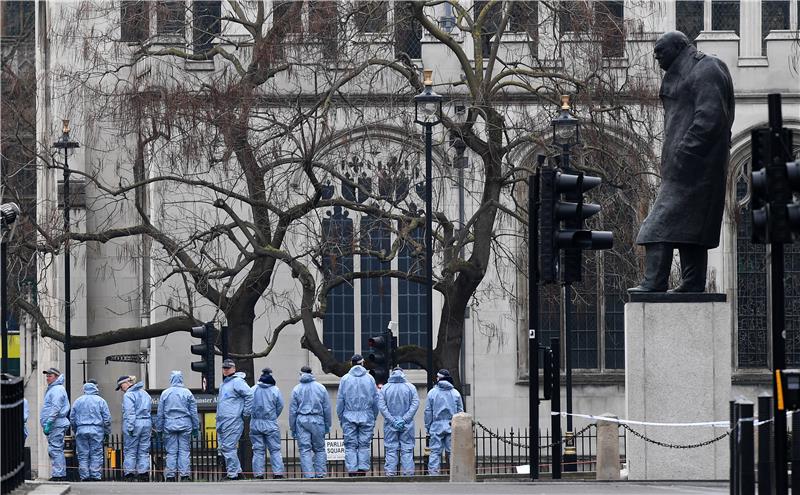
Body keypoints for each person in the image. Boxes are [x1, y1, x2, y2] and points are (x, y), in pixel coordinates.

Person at [630, 30, 735, 293]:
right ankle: (692, 284)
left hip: (695, 168)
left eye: (660, 51)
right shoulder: (681, 73)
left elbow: (710, 118)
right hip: (687, 167)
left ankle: (654, 282)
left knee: (655, 227)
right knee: (691, 229)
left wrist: (684, 154)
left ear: (679, 47)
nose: (656, 57)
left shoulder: (706, 68)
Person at [336, 354, 378, 476]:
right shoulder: (370, 379)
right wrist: (373, 416)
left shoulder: (345, 379)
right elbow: (375, 400)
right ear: (362, 363)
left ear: (351, 364)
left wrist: (341, 417)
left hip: (348, 415)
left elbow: (340, 401)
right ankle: (362, 469)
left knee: (350, 445)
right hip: (366, 415)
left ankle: (352, 469)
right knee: (364, 444)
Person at [155, 370, 199, 482]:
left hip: (169, 425)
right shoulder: (187, 393)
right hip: (185, 424)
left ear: (171, 379)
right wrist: (195, 428)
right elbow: (193, 412)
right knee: (184, 451)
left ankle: (170, 476)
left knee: (171, 452)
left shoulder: (165, 393)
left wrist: (159, 429)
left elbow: (160, 414)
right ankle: (185, 475)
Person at [289, 365, 331, 478]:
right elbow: (327, 408)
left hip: (301, 420)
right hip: (318, 420)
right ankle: (320, 473)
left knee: (304, 449)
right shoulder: (321, 388)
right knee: (320, 449)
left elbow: (292, 411)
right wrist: (327, 425)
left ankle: (309, 474)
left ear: (301, 374)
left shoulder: (296, 389)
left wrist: (293, 428)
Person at [378, 366, 420, 476]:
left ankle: (390, 474)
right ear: (403, 373)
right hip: (407, 424)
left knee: (391, 449)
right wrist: (405, 419)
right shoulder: (411, 387)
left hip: (390, 424)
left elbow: (382, 407)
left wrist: (392, 420)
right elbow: (415, 404)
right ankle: (408, 474)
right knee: (407, 449)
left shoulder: (385, 388)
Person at [216, 359, 252, 480]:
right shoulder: (224, 384)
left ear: (234, 368)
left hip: (232, 419)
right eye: (224, 368)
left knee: (228, 447)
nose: (226, 370)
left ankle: (233, 474)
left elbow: (249, 395)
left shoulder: (237, 382)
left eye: (228, 368)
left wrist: (246, 412)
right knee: (225, 447)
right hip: (223, 420)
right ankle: (238, 472)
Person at [70, 380, 112, 481]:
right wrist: (107, 431)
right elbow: (107, 419)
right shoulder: (100, 400)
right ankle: (95, 475)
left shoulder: (78, 401)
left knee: (83, 454)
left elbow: (72, 418)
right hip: (96, 430)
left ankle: (85, 476)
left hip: (81, 429)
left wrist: (75, 429)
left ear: (84, 390)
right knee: (96, 453)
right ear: (95, 389)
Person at [424, 369, 464, 476]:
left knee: (435, 452)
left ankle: (433, 474)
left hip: (436, 425)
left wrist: (428, 427)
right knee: (452, 452)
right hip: (452, 425)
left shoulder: (432, 393)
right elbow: (460, 412)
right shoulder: (455, 393)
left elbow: (428, 412)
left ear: (439, 378)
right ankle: (455, 474)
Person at [249, 368, 285, 479]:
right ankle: (278, 473)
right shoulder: (275, 390)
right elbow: (280, 406)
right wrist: (273, 416)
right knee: (275, 450)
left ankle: (258, 474)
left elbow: (248, 404)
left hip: (255, 423)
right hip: (270, 423)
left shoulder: (253, 389)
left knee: (258, 450)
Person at [117, 375, 152, 482]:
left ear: (126, 383)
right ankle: (143, 473)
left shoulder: (129, 395)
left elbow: (130, 413)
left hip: (135, 424)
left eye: (120, 386)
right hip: (146, 423)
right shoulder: (144, 393)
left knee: (130, 450)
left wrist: (130, 427)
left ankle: (130, 474)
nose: (121, 389)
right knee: (143, 450)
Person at [40, 368, 70, 481]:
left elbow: (55, 408)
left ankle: (59, 475)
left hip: (55, 423)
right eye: (47, 376)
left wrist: (49, 422)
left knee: (55, 449)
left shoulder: (57, 389)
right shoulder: (54, 389)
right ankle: (59, 473)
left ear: (57, 377)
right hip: (55, 423)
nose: (47, 378)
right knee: (55, 449)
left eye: (50, 376)